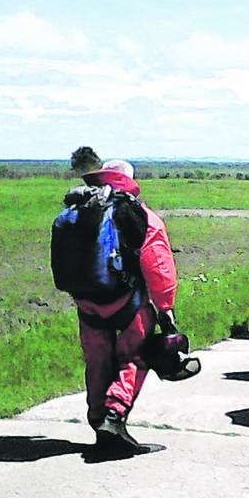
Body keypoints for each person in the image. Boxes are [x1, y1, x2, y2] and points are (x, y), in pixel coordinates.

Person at [71, 160, 178, 454]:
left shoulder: (79, 210)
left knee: (97, 361)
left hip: (86, 300)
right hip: (127, 300)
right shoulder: (140, 214)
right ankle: (114, 416)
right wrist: (165, 306)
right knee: (135, 356)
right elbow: (158, 265)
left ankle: (97, 419)